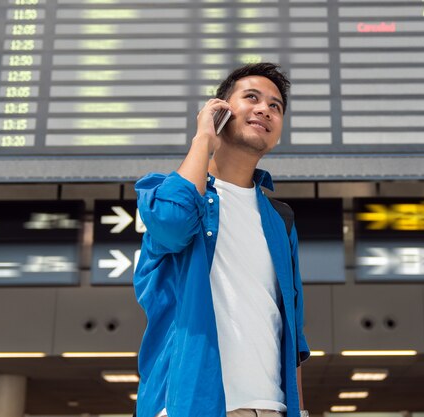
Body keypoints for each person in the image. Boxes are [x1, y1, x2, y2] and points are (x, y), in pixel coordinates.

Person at [133, 63, 311, 417]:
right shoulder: (165, 192)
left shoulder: (281, 220)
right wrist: (203, 138)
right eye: (252, 98)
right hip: (190, 405)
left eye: (275, 106)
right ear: (221, 110)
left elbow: (293, 337)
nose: (265, 109)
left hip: (271, 408)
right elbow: (172, 223)